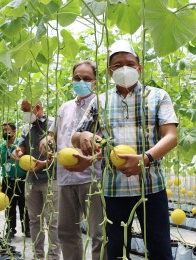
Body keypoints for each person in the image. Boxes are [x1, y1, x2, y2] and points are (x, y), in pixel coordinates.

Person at [72, 40, 178, 259]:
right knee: (116, 253)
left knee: (160, 251)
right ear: (110, 71)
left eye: (129, 63)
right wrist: (84, 136)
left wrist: (145, 158)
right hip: (113, 189)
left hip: (151, 186)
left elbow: (171, 137)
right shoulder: (99, 101)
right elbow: (76, 136)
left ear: (139, 68)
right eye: (118, 65)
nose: (124, 68)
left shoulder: (158, 96)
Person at [39, 61, 107, 260]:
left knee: (99, 235)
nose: (81, 81)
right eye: (77, 77)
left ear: (94, 82)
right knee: (67, 232)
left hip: (92, 177)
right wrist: (47, 139)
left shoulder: (101, 105)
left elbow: (108, 139)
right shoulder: (64, 108)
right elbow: (52, 134)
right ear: (72, 79)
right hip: (66, 178)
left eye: (86, 78)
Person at [12, 100, 61, 260]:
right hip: (32, 180)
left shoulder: (53, 124)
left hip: (50, 178)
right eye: (23, 111)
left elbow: (60, 151)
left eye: (26, 110)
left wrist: (44, 163)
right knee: (34, 220)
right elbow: (22, 148)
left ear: (38, 107)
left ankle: (53, 257)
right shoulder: (26, 128)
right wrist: (17, 153)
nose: (25, 114)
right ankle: (37, 256)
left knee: (52, 220)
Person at [0, 122, 30, 239]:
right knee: (10, 206)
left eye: (8, 130)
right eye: (4, 130)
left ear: (14, 131)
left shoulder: (21, 144)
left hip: (22, 180)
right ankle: (10, 229)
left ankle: (27, 229)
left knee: (25, 206)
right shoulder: (0, 148)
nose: (5, 132)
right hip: (8, 181)